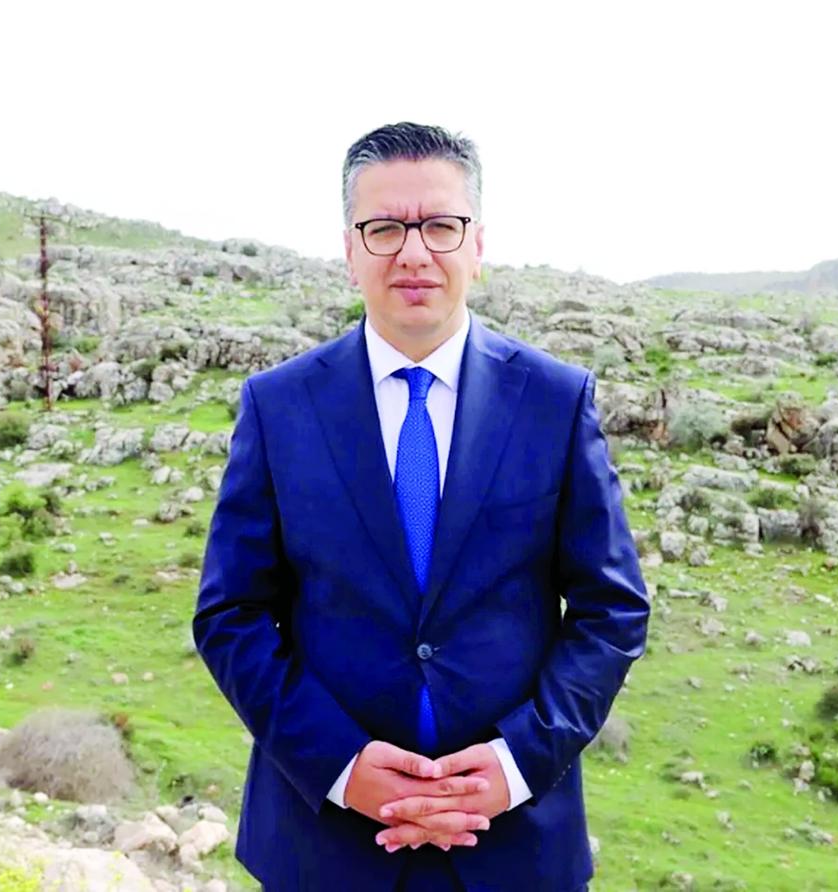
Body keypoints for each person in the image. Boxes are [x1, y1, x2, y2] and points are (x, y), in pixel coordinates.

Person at [194, 121, 649, 892]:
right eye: (384, 228)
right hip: (324, 849)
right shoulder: (278, 406)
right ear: (350, 251)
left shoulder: (555, 400)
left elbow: (612, 611)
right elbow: (229, 614)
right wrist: (340, 765)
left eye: (440, 225)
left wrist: (515, 764)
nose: (413, 252)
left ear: (478, 245)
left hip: (514, 849)